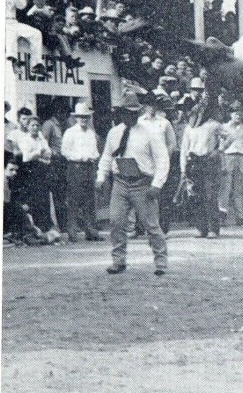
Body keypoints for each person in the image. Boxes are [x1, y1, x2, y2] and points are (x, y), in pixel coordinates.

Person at [96, 90, 170, 276]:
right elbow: (107, 156)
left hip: (142, 183)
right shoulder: (114, 133)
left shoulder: (150, 132)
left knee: (151, 225)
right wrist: (101, 177)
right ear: (121, 113)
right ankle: (118, 261)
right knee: (116, 221)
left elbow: (162, 159)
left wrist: (157, 184)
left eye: (134, 112)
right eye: (126, 112)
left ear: (138, 113)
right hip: (120, 182)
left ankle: (161, 262)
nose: (130, 116)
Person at [180, 93, 223, 238]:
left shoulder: (213, 125)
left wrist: (218, 150)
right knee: (196, 196)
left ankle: (213, 228)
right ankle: (201, 228)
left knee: (210, 196)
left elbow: (229, 136)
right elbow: (184, 149)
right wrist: (183, 168)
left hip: (208, 162)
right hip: (193, 162)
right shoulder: (189, 128)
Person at [60, 102, 103, 242]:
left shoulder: (91, 133)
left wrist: (93, 157)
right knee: (74, 201)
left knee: (90, 201)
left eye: (86, 117)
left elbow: (95, 151)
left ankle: (91, 231)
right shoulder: (70, 132)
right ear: (76, 118)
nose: (83, 119)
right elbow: (64, 151)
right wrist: (79, 157)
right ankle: (72, 232)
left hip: (89, 168)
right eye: (81, 117)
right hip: (76, 167)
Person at [139, 95, 179, 233]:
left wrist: (164, 159)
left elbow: (172, 143)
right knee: (142, 195)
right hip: (145, 164)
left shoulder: (164, 123)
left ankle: (163, 228)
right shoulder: (139, 122)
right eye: (148, 105)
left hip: (161, 164)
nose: (151, 108)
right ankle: (141, 228)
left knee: (162, 197)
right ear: (144, 107)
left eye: (153, 105)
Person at [218, 101, 243, 228]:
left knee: (240, 189)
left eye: (240, 114)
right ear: (230, 114)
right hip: (228, 156)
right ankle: (222, 217)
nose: (238, 116)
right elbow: (221, 147)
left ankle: (240, 217)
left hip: (241, 158)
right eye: (235, 113)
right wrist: (222, 162)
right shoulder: (223, 127)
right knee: (225, 188)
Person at [16, 115, 55, 235]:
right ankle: (35, 227)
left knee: (44, 197)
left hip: (42, 171)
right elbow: (26, 157)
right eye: (32, 125)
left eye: (37, 125)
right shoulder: (25, 140)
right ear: (27, 126)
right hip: (30, 172)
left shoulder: (41, 139)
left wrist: (40, 154)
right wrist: (39, 152)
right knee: (34, 198)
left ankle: (45, 226)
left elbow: (48, 154)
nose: (35, 127)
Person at [41, 106, 68, 230]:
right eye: (62, 112)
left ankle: (64, 223)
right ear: (57, 111)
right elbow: (43, 142)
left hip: (63, 162)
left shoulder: (64, 124)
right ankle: (60, 224)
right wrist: (53, 153)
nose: (64, 115)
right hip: (53, 163)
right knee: (57, 194)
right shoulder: (49, 124)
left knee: (63, 194)